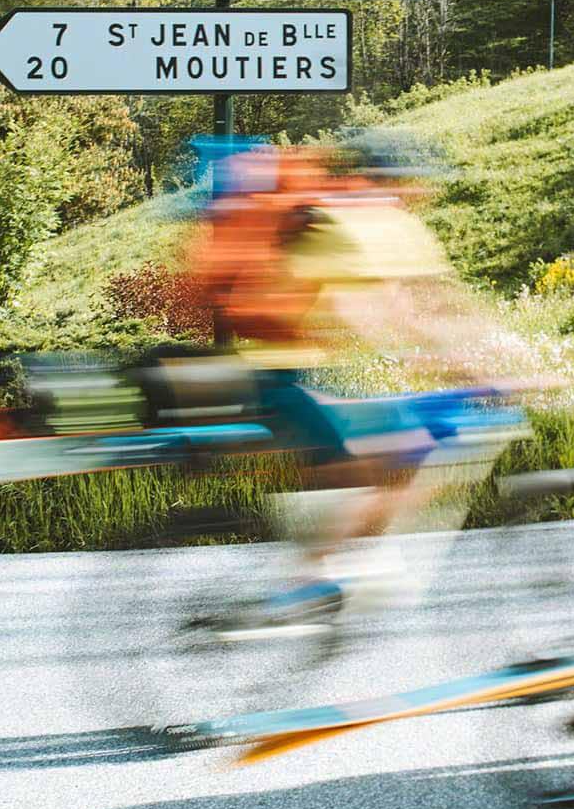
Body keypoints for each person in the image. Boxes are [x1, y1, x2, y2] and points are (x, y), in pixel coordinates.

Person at [184, 140, 520, 619]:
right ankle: (306, 582)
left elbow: (417, 300)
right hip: (276, 375)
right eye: (402, 190)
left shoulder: (350, 222)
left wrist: (466, 356)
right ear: (378, 184)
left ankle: (333, 564)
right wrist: (462, 366)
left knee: (392, 457)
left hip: (293, 369)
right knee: (388, 458)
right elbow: (378, 309)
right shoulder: (345, 223)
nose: (407, 201)